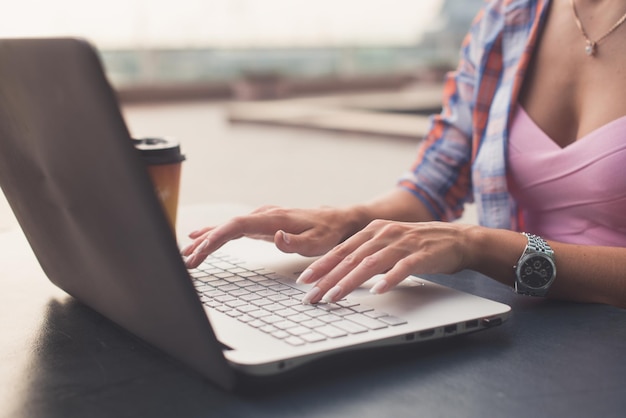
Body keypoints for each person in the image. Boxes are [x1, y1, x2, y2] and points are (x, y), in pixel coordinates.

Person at [183, 0, 626, 308]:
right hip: (530, 326)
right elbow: (435, 182)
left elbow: (479, 245)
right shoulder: (509, 19)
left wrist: (481, 246)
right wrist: (347, 220)